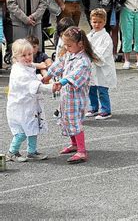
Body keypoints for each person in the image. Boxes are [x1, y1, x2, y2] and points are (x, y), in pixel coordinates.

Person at [43, 26, 98, 164]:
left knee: (74, 121)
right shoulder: (70, 54)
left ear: (80, 44)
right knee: (66, 119)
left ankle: (81, 150)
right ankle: (74, 144)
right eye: (65, 45)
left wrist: (61, 81)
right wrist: (48, 75)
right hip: (66, 96)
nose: (66, 48)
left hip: (76, 98)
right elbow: (59, 64)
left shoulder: (84, 61)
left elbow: (75, 75)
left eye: (69, 45)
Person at [6, 39, 52, 162]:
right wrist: (51, 87)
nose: (28, 57)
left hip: (29, 105)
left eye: (30, 54)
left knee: (33, 128)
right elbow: (32, 85)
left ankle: (32, 151)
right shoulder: (19, 72)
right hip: (20, 107)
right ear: (16, 56)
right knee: (21, 132)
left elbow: (33, 72)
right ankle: (12, 152)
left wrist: (40, 73)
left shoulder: (25, 66)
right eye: (24, 55)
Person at [86, 8, 117, 120]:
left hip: (102, 68)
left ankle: (106, 110)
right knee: (91, 88)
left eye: (99, 22)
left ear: (104, 22)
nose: (97, 24)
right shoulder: (89, 35)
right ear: (90, 21)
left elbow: (101, 54)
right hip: (92, 67)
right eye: (94, 22)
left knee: (102, 90)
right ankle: (93, 107)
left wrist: (90, 54)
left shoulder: (106, 38)